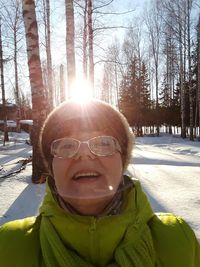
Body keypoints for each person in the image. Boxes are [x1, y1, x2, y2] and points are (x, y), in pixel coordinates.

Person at [0, 99, 199, 267]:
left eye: (103, 143)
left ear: (123, 160)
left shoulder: (178, 240)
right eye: (67, 145)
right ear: (51, 167)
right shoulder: (9, 246)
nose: (85, 154)